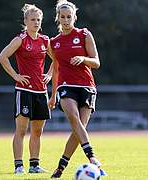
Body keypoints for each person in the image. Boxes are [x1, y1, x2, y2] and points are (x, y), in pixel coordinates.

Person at [48, 0, 107, 178]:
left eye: (69, 17)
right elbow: (56, 69)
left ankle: (60, 167)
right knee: (73, 118)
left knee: (78, 128)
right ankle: (93, 157)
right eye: (62, 17)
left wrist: (83, 58)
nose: (66, 20)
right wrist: (52, 96)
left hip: (87, 86)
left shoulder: (84, 34)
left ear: (75, 17)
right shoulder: (54, 42)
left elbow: (96, 62)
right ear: (58, 18)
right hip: (66, 86)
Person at [0, 4, 54, 174]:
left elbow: (57, 60)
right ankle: (18, 166)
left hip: (41, 91)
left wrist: (49, 74)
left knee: (37, 131)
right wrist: (16, 76)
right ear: (25, 21)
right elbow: (2, 57)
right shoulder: (20, 39)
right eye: (32, 20)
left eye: (38, 20)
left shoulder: (45, 40)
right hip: (24, 91)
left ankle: (34, 165)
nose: (36, 23)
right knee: (21, 130)